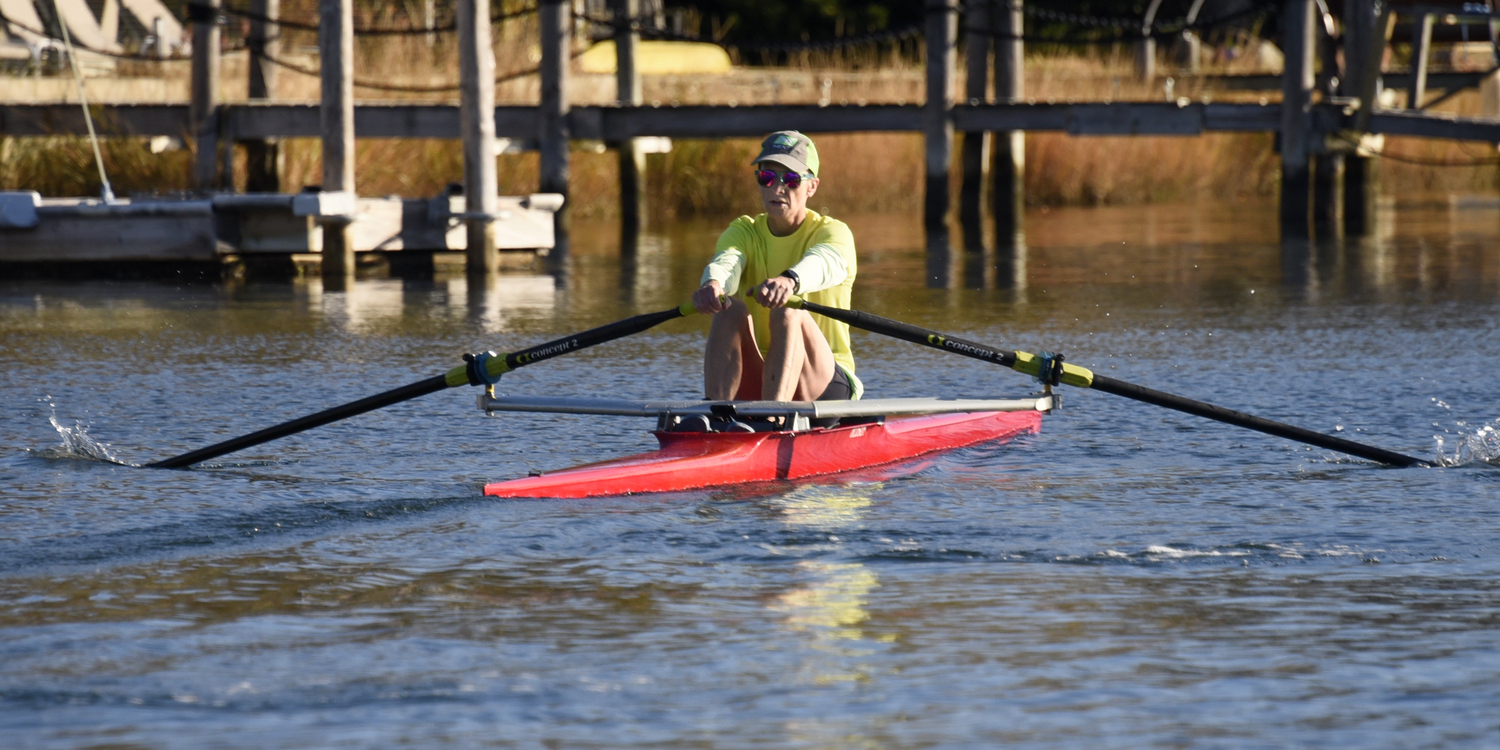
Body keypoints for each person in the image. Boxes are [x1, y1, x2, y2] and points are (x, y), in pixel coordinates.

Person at [690, 131, 862, 419]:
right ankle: (716, 418)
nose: (778, 188)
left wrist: (790, 280)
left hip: (824, 386)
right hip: (765, 376)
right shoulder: (743, 231)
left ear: (812, 187)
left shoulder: (834, 233)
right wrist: (714, 284)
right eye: (767, 177)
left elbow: (824, 262)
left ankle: (772, 421)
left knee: (787, 311)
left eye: (791, 179)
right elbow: (727, 262)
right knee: (728, 311)